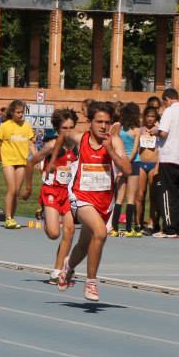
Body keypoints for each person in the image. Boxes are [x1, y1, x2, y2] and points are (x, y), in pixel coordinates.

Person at [56, 101, 131, 302]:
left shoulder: (114, 142)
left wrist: (111, 152)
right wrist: (51, 162)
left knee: (83, 244)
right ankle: (91, 282)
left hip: (104, 201)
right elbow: (61, 137)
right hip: (80, 197)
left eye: (107, 122)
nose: (103, 126)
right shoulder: (81, 139)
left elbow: (128, 170)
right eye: (99, 122)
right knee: (100, 232)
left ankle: (68, 267)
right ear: (90, 122)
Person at [23, 107, 78, 284]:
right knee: (54, 233)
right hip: (52, 191)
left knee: (69, 231)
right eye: (64, 128)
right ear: (57, 129)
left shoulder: (78, 146)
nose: (68, 132)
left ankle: (57, 271)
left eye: (71, 128)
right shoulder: (51, 146)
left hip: (69, 193)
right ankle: (45, 215)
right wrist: (29, 188)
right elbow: (30, 163)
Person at [148, 88, 179, 238]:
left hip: (170, 158)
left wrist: (155, 130)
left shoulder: (169, 112)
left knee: (167, 193)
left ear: (167, 99)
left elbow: (164, 132)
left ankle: (169, 228)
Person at [0, 99, 34, 229]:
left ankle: (12, 218)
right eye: (18, 112)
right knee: (11, 188)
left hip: (21, 162)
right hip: (8, 161)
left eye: (22, 112)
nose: (20, 115)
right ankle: (8, 217)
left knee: (17, 191)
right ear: (12, 112)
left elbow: (31, 144)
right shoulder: (5, 126)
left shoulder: (26, 126)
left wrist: (37, 159)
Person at [111, 102, 141, 237]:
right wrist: (128, 162)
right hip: (133, 163)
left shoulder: (118, 127)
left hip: (121, 162)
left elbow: (113, 142)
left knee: (119, 197)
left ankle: (115, 227)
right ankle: (129, 229)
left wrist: (122, 163)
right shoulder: (136, 130)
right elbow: (135, 150)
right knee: (131, 197)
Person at [135, 106, 160, 235]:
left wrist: (157, 166)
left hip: (153, 164)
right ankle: (138, 222)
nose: (150, 119)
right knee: (139, 195)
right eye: (148, 116)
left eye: (153, 116)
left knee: (153, 195)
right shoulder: (140, 130)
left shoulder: (159, 130)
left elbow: (161, 148)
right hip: (141, 164)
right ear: (144, 117)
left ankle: (152, 223)